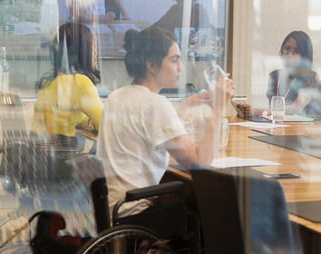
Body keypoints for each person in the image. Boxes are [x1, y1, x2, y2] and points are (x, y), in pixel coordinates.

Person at [97, 26, 234, 216]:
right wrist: (218, 109)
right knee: (220, 197)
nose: (181, 67)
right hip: (135, 214)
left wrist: (185, 106)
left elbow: (151, 132)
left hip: (110, 211)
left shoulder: (117, 96)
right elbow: (200, 165)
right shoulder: (155, 104)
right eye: (174, 60)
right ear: (151, 65)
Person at [31, 23, 103, 148]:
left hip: (41, 154)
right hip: (64, 157)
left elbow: (66, 118)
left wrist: (88, 121)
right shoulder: (79, 83)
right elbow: (105, 124)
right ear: (85, 52)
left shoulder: (49, 77)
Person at [235, 31, 321, 119]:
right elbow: (273, 106)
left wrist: (258, 111)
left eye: (296, 51)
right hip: (276, 123)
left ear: (305, 55)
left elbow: (296, 107)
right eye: (287, 48)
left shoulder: (311, 77)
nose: (290, 54)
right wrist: (247, 112)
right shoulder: (274, 75)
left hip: (301, 126)